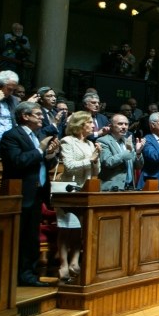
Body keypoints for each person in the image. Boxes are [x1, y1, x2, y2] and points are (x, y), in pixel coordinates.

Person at [1, 101, 60, 286]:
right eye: (37, 114)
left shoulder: (38, 136)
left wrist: (49, 156)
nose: (42, 117)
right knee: (18, 237)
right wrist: (40, 149)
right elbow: (17, 161)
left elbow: (42, 164)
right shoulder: (12, 136)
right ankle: (12, 276)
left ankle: (28, 274)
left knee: (31, 237)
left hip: (37, 192)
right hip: (20, 193)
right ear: (25, 116)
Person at [58, 110, 102, 281]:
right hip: (68, 190)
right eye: (90, 122)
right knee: (66, 228)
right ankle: (63, 264)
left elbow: (96, 171)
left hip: (85, 190)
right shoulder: (67, 141)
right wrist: (90, 159)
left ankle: (74, 262)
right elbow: (68, 166)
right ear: (80, 124)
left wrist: (97, 159)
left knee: (79, 230)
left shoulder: (91, 144)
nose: (93, 125)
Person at [98, 114, 144, 191]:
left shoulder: (128, 141)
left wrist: (138, 153)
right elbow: (108, 162)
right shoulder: (103, 141)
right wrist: (127, 152)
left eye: (126, 124)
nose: (124, 127)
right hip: (111, 188)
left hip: (130, 187)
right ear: (110, 126)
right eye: (120, 124)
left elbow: (138, 166)